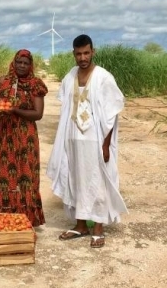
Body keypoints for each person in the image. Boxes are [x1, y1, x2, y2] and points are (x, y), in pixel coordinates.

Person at [46, 34, 128, 248]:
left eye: (86, 53)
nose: (82, 57)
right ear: (73, 54)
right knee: (75, 180)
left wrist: (106, 144)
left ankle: (98, 228)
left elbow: (112, 113)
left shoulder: (103, 77)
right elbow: (65, 110)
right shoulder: (70, 76)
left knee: (97, 181)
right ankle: (81, 225)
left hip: (95, 140)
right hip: (73, 139)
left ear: (93, 52)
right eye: (78, 53)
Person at [0, 49, 48, 236]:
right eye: (19, 62)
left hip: (26, 138)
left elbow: (38, 114)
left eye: (26, 63)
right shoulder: (2, 83)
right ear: (14, 62)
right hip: (4, 136)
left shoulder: (35, 85)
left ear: (30, 65)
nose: (22, 66)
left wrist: (15, 110)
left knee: (25, 176)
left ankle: (25, 221)